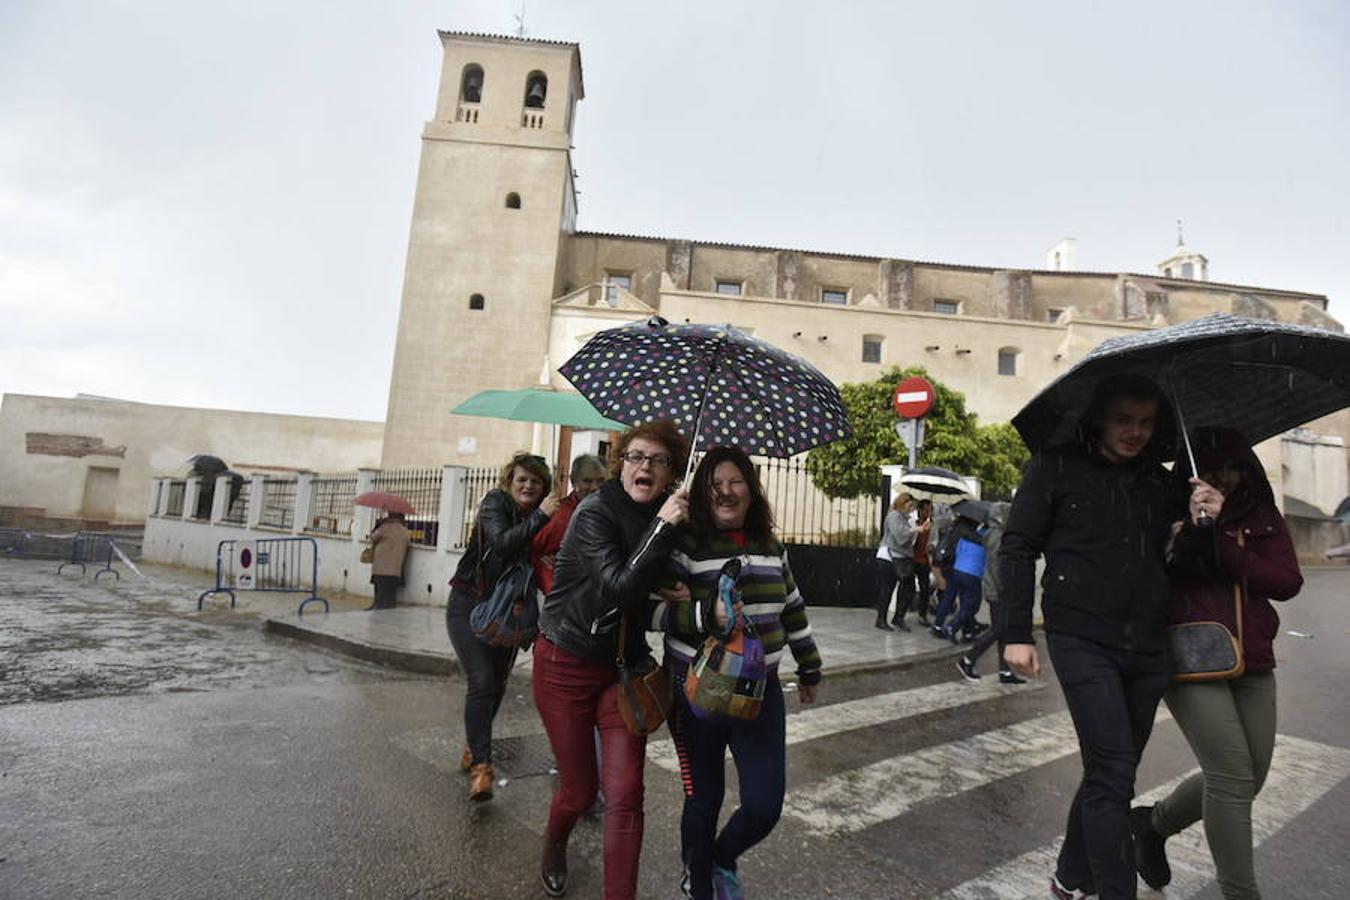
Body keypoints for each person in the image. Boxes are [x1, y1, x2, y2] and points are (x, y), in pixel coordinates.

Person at [999, 373, 1182, 900]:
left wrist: (1201, 524)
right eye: (1125, 420)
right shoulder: (1056, 466)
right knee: (1114, 772)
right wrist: (1015, 632)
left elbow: (1184, 562)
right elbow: (1017, 547)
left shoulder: (1162, 482)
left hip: (1147, 646)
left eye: (1146, 423)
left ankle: (1070, 876)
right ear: (1101, 416)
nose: (1136, 433)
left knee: (1112, 769)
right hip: (1081, 637)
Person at [1131, 427, 1302, 899]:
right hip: (1189, 656)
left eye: (1232, 467)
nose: (1222, 477)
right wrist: (1191, 530)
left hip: (1253, 656)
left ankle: (1153, 825)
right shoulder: (1165, 509)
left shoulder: (1260, 513)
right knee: (1230, 775)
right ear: (1189, 472)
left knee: (1252, 776)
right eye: (1210, 469)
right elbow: (1162, 575)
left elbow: (1287, 581)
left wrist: (1224, 534)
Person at [533, 421, 690, 900]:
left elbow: (649, 585)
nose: (645, 467)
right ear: (621, 463)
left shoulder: (665, 519)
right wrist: (664, 526)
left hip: (622, 668)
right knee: (580, 794)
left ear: (670, 474)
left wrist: (674, 587)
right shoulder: (594, 512)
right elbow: (620, 584)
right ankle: (554, 842)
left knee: (625, 796)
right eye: (637, 457)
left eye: (658, 461)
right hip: (566, 663)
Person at [657, 445, 822, 900]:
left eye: (735, 482)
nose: (726, 492)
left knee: (764, 805)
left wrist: (809, 666)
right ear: (702, 493)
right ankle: (700, 873)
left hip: (760, 692)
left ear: (751, 489)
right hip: (696, 691)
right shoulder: (685, 545)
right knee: (704, 798)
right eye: (715, 485)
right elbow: (654, 610)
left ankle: (722, 857)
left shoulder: (771, 545)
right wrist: (705, 614)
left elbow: (792, 608)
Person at [446, 451, 559, 802]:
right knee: (481, 681)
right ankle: (482, 767)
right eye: (521, 479)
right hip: (470, 606)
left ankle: (473, 747)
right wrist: (542, 515)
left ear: (544, 488)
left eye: (535, 482)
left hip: (511, 614)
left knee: (496, 685)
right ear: (509, 481)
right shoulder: (495, 503)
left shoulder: (544, 521)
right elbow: (501, 542)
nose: (527, 486)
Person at [955, 502, 1025, 684]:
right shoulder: (997, 537)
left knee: (1003, 629)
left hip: (995, 587)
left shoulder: (996, 534)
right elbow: (997, 566)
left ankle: (1005, 671)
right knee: (999, 628)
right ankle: (968, 659)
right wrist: (1005, 588)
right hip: (997, 589)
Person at [531, 453, 608, 593]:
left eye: (600, 481)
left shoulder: (611, 512)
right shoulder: (559, 513)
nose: (595, 487)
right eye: (587, 481)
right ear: (574, 481)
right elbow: (534, 552)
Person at [930, 509, 985, 642]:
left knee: (955, 598)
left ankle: (968, 629)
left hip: (954, 567)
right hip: (956, 567)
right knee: (962, 600)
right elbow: (979, 543)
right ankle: (949, 627)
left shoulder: (956, 528)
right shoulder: (966, 532)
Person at [876, 492, 927, 631]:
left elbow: (910, 539)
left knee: (907, 588)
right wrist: (915, 529)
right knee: (887, 589)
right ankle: (881, 619)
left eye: (913, 506)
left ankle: (898, 617)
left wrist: (917, 529)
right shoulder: (894, 516)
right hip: (889, 557)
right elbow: (900, 536)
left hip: (901, 558)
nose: (912, 508)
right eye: (910, 505)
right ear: (902, 503)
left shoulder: (906, 519)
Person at [367, 511, 411, 609]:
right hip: (395, 568)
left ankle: (376, 606)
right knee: (391, 592)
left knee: (379, 590)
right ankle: (389, 608)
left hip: (380, 566)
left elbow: (373, 538)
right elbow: (408, 544)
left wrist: (378, 525)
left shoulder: (384, 527)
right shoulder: (405, 531)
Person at [912, 499, 935, 626]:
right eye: (926, 510)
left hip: (924, 559)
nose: (928, 513)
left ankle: (923, 614)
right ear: (920, 511)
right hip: (912, 558)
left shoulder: (932, 525)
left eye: (930, 510)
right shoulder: (914, 523)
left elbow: (935, 540)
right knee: (908, 586)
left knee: (925, 588)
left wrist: (931, 546)